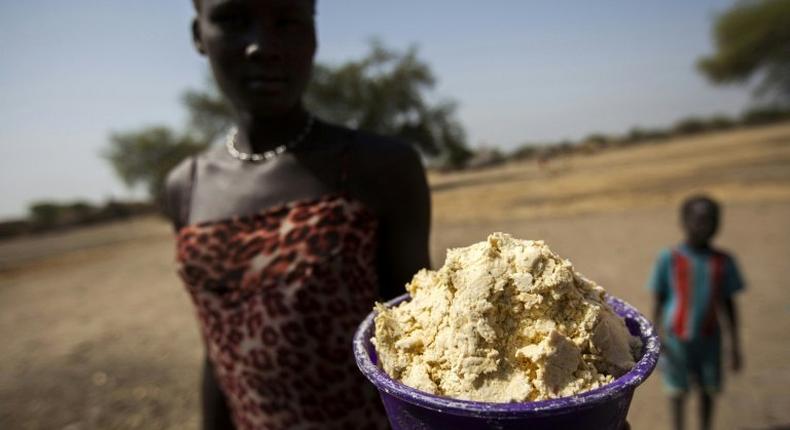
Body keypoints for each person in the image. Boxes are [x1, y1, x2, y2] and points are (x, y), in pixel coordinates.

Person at [162, 0, 431, 428]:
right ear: (199, 34)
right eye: (233, 20)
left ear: (313, 35)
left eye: (287, 22)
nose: (262, 47)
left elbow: (423, 337)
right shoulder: (187, 186)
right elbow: (217, 350)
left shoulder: (378, 167)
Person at [647, 195, 744, 430]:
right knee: (677, 390)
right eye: (698, 220)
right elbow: (659, 298)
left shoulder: (723, 261)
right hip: (675, 339)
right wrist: (655, 333)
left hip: (710, 338)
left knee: (708, 390)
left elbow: (729, 304)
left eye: (711, 221)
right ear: (683, 222)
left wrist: (735, 345)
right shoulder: (669, 259)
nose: (705, 226)